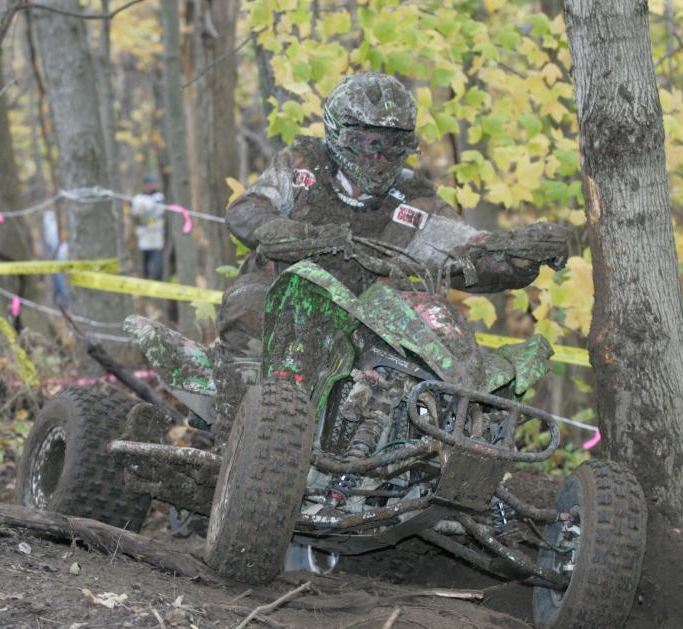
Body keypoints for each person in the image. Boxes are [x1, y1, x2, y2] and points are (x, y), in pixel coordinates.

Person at [212, 72, 568, 437]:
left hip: (369, 313)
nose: (380, 155)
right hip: (289, 292)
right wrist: (280, 230)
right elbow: (249, 207)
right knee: (248, 303)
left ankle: (417, 440)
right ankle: (232, 435)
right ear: (341, 135)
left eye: (394, 144)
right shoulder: (302, 164)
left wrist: (517, 256)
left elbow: (466, 250)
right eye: (369, 141)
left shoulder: (415, 200)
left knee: (431, 340)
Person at [131, 178, 166, 281]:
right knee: (144, 261)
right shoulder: (138, 198)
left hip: (156, 234)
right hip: (143, 234)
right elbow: (135, 213)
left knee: (157, 261)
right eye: (148, 184)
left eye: (152, 184)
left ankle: (158, 280)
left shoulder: (158, 197)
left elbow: (159, 209)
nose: (150, 186)